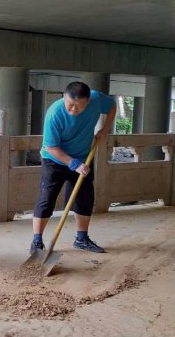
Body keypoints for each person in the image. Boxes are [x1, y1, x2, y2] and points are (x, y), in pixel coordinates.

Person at [30, 81, 117, 255]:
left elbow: (112, 105)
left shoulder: (97, 99)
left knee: (84, 199)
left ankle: (82, 239)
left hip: (83, 158)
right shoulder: (55, 113)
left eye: (79, 107)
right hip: (55, 160)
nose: (73, 110)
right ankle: (37, 242)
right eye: (70, 105)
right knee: (47, 199)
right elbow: (51, 147)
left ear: (88, 102)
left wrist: (105, 129)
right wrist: (74, 164)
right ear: (64, 97)